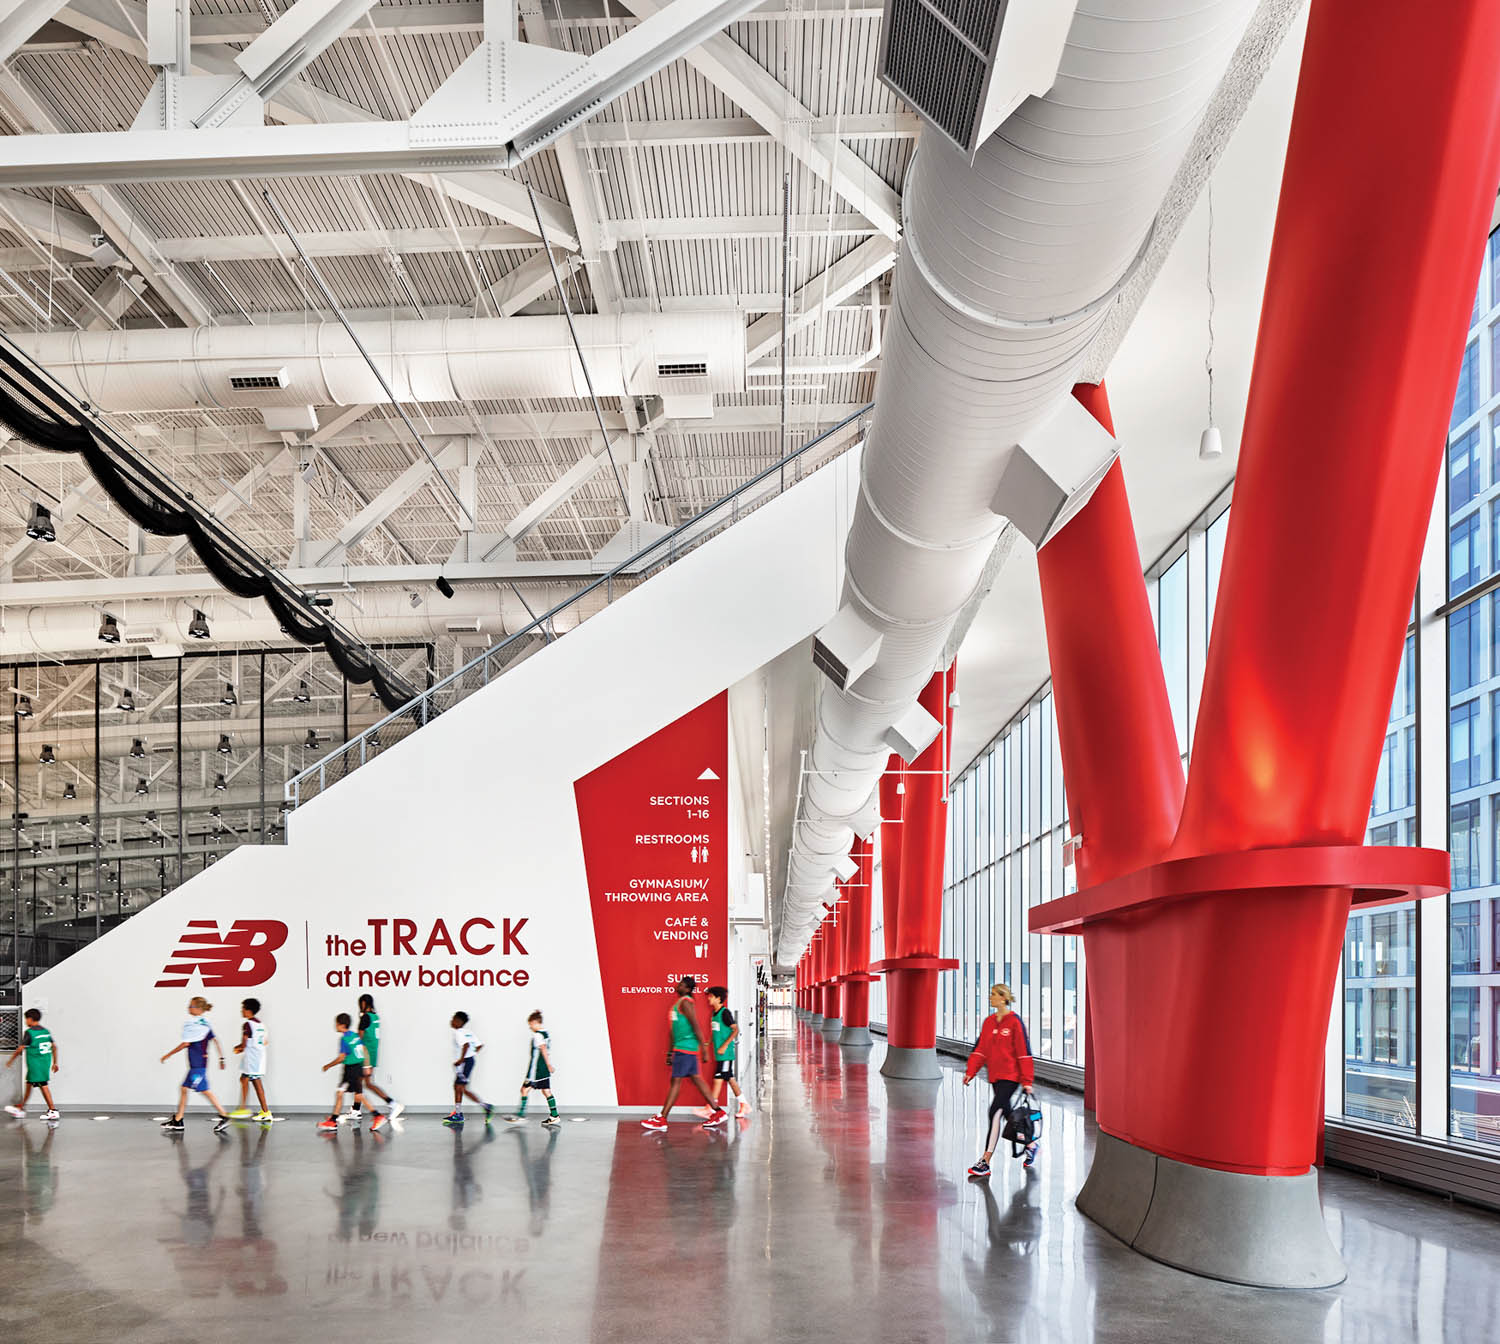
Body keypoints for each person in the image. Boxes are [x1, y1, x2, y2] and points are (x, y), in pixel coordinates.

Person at [963, 983, 1037, 1178]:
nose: (990, 997)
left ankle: (985, 1161)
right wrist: (971, 1071)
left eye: (994, 994)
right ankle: (1030, 1144)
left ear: (1004, 998)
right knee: (1008, 1114)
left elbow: (1024, 1052)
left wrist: (1027, 1080)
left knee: (994, 1112)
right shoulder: (989, 1022)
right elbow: (980, 1049)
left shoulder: (1015, 1022)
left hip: (1011, 1077)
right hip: (995, 1076)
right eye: (991, 994)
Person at [641, 977, 726, 1131]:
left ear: (687, 989)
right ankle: (718, 1112)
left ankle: (662, 1118)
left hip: (686, 1048)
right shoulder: (678, 1004)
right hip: (682, 1048)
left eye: (681, 984)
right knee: (697, 1079)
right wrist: (669, 1052)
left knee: (676, 1082)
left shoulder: (686, 1002)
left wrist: (704, 1048)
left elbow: (695, 1025)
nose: (677, 985)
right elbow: (673, 1031)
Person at [159, 996, 231, 1133]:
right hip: (196, 1065)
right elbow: (215, 1040)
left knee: (204, 1090)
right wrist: (221, 1058)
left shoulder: (194, 1025)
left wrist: (168, 1055)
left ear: (198, 1009)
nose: (188, 1008)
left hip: (198, 1065)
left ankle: (224, 1115)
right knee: (184, 1088)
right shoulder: (205, 1025)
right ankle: (178, 1120)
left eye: (191, 1006)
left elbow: (186, 1043)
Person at [318, 1013, 387, 1134]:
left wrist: (328, 1066)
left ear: (342, 1025)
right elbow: (364, 1049)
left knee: (356, 1095)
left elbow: (341, 1058)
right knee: (341, 1092)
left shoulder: (344, 1039)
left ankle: (377, 1116)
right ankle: (333, 1120)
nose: (335, 1026)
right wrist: (366, 1065)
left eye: (336, 1024)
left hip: (351, 1070)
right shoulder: (355, 1036)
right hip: (357, 1068)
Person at [349, 993, 403, 1123]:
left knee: (363, 1082)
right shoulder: (375, 1017)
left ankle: (393, 1103)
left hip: (364, 1054)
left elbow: (359, 1038)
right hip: (372, 1054)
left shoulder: (365, 1018)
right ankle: (356, 1110)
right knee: (364, 1083)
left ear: (363, 1003)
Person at [505, 1009, 559, 1127]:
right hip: (543, 1068)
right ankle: (554, 1116)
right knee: (546, 1091)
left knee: (524, 1089)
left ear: (535, 1022)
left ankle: (521, 1115)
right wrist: (548, 1065)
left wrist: (549, 1064)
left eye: (530, 1024)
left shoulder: (538, 1035)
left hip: (536, 1069)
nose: (530, 1027)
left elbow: (543, 1049)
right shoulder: (546, 1033)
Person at [5, 1007, 60, 1120]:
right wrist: (55, 1063)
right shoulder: (45, 1032)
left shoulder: (29, 1033)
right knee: (29, 1084)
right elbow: (54, 1047)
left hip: (36, 1064)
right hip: (44, 1063)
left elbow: (20, 1049)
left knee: (43, 1085)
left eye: (26, 1019)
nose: (26, 1022)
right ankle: (21, 1107)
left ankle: (52, 1110)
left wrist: (11, 1060)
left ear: (30, 1019)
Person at [706, 986, 748, 1119]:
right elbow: (715, 1031)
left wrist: (724, 1046)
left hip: (726, 1054)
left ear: (718, 998)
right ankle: (744, 1105)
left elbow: (735, 1030)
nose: (709, 998)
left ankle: (712, 1108)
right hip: (719, 1054)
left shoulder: (725, 1013)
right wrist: (708, 1042)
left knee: (718, 1077)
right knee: (729, 1078)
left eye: (711, 996)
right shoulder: (714, 1014)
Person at [446, 1011, 491, 1126]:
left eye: (454, 1019)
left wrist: (462, 1059)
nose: (451, 1021)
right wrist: (471, 1055)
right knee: (458, 1087)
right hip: (469, 1061)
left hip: (464, 1063)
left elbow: (465, 1045)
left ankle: (485, 1107)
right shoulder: (468, 1032)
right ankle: (458, 1113)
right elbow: (479, 1045)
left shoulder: (458, 1033)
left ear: (459, 1021)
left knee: (461, 1088)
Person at [229, 999, 271, 1121]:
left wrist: (237, 1049)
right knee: (249, 1080)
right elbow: (265, 1041)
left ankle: (244, 1109)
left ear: (248, 1010)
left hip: (251, 1058)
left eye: (243, 1008)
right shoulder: (261, 1025)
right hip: (259, 1057)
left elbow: (243, 1044)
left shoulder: (247, 1025)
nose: (241, 1010)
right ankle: (264, 1111)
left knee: (249, 1080)